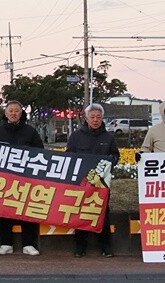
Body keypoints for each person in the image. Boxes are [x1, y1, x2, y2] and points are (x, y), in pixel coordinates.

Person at [0, 100, 44, 256]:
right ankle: (6, 243)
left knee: (28, 209)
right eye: (10, 111)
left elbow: (40, 152)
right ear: (5, 114)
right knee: (5, 209)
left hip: (27, 179)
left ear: (21, 113)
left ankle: (29, 244)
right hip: (6, 179)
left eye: (16, 111)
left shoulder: (30, 132)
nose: (13, 113)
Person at [65, 103, 119, 258]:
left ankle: (106, 247)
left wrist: (109, 162)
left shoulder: (108, 137)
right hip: (81, 183)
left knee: (103, 214)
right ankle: (80, 247)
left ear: (102, 118)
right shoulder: (76, 136)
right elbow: (69, 155)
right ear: (86, 118)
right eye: (92, 117)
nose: (95, 120)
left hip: (101, 184)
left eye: (98, 117)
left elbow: (115, 156)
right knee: (80, 213)